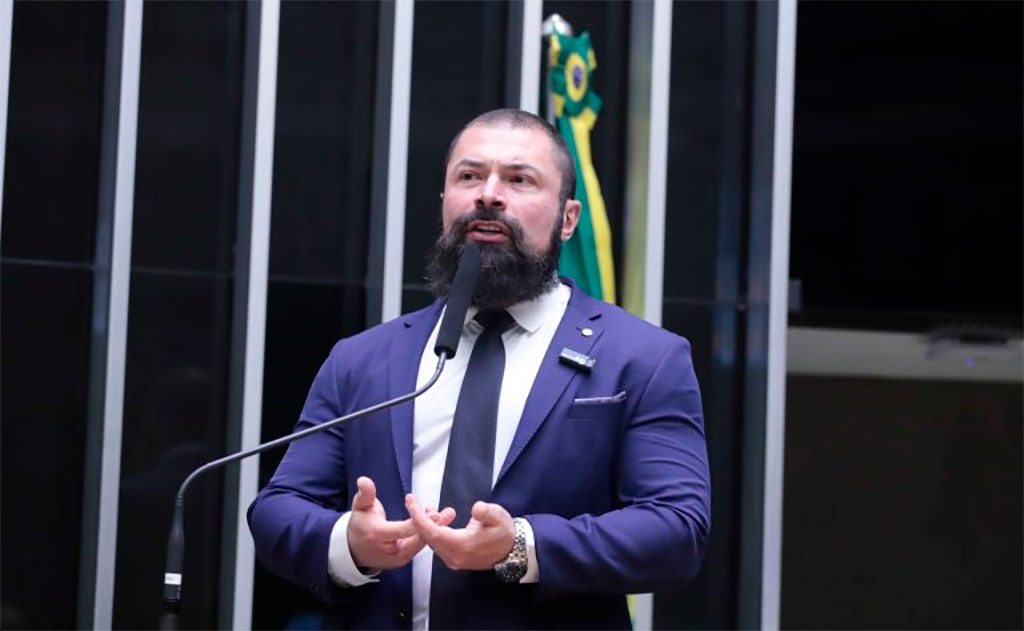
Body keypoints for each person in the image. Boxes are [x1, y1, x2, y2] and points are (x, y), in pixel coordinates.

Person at [248, 109, 711, 630]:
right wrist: (350, 543)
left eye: (519, 179)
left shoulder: (642, 358)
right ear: (444, 205)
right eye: (469, 177)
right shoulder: (363, 359)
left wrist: (520, 546)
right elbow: (278, 510)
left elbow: (676, 530)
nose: (488, 195)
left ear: (568, 218)